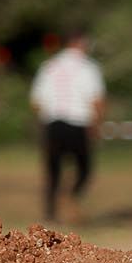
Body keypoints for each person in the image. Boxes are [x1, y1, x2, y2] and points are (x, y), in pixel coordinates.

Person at [29, 28, 106, 223]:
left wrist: (43, 121)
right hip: (78, 123)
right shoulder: (88, 67)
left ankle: (50, 213)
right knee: (84, 168)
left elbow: (36, 101)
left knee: (52, 170)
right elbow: (96, 100)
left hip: (53, 123)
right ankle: (71, 196)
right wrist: (97, 125)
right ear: (82, 43)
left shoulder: (49, 66)